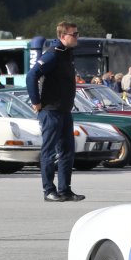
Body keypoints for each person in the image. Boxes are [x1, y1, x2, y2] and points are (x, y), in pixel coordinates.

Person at [27, 20, 83, 203]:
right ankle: (49, 190)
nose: (77, 37)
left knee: (67, 151)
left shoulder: (67, 54)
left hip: (64, 110)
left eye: (77, 33)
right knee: (49, 152)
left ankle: (65, 190)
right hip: (51, 110)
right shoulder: (53, 54)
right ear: (62, 36)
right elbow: (31, 75)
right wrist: (36, 101)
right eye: (73, 34)